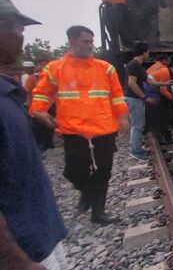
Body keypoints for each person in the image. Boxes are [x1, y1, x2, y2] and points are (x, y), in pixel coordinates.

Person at [30, 25, 130, 225]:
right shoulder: (55, 69)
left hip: (104, 128)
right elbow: (42, 93)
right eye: (86, 41)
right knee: (74, 171)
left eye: (92, 42)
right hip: (73, 130)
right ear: (72, 41)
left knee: (104, 171)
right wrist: (38, 110)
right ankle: (86, 191)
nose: (91, 46)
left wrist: (123, 116)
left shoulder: (105, 68)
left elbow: (117, 95)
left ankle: (98, 212)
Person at [0, 0, 68, 270]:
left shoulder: (7, 90)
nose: (22, 37)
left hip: (35, 241)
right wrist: (17, 263)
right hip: (20, 257)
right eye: (18, 29)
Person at [124, 42, 173, 160]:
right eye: (148, 52)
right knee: (138, 125)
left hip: (137, 99)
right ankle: (136, 152)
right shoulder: (133, 65)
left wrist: (165, 83)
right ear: (144, 52)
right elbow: (132, 84)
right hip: (133, 99)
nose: (149, 54)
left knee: (140, 124)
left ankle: (138, 148)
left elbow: (149, 81)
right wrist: (144, 97)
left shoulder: (139, 66)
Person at [146, 55, 173, 144]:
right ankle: (165, 137)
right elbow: (163, 90)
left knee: (155, 115)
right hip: (150, 91)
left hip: (146, 89)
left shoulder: (158, 65)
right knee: (161, 114)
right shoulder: (165, 70)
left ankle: (157, 135)